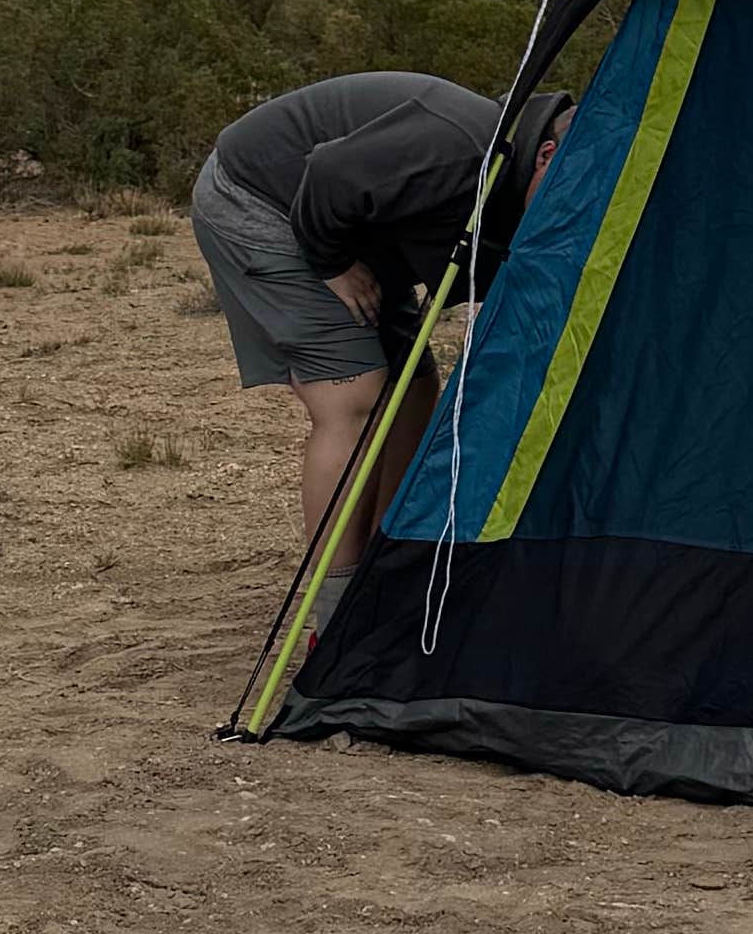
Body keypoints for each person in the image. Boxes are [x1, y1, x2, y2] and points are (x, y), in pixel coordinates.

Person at [189, 67, 515, 584]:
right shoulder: (461, 148)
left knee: (413, 379)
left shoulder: (514, 169)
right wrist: (332, 265)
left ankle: (388, 560)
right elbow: (328, 176)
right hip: (260, 199)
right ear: (546, 154)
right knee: (355, 392)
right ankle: (335, 605)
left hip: (354, 226)